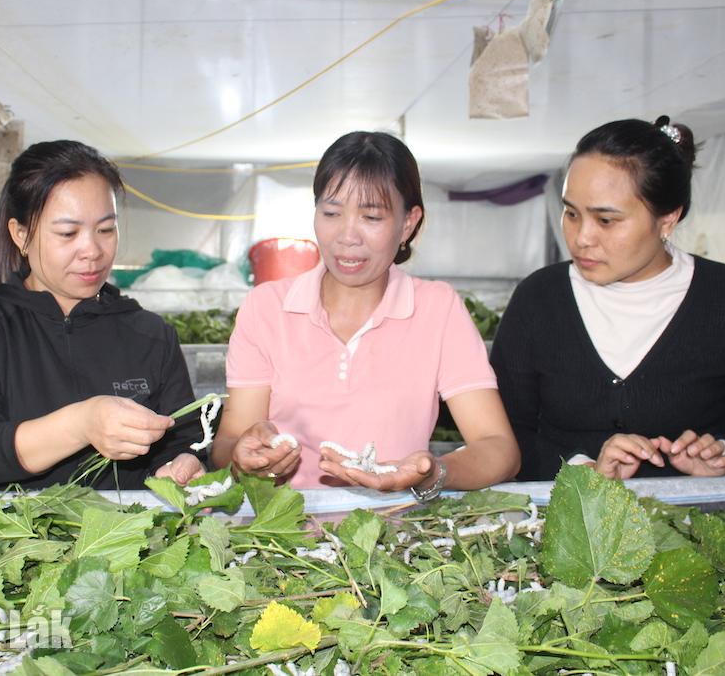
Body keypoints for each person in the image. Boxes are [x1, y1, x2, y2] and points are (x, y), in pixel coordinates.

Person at [491, 116, 725, 481]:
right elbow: (501, 431)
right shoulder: (539, 299)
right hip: (565, 524)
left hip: (692, 527)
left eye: (606, 220)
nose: (581, 237)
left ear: (667, 219)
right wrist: (581, 470)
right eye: (571, 213)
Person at [210, 131, 520, 495]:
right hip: (281, 536)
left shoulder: (438, 309)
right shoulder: (266, 308)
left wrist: (430, 472)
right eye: (331, 213)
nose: (347, 236)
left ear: (408, 223)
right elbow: (229, 441)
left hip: (394, 539)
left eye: (371, 217)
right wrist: (245, 455)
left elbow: (499, 448)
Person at [0, 140, 205, 490]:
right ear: (21, 235)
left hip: (131, 537)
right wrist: (81, 424)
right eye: (67, 233)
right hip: (19, 537)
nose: (92, 250)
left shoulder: (149, 333)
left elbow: (188, 439)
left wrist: (185, 464)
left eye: (106, 229)